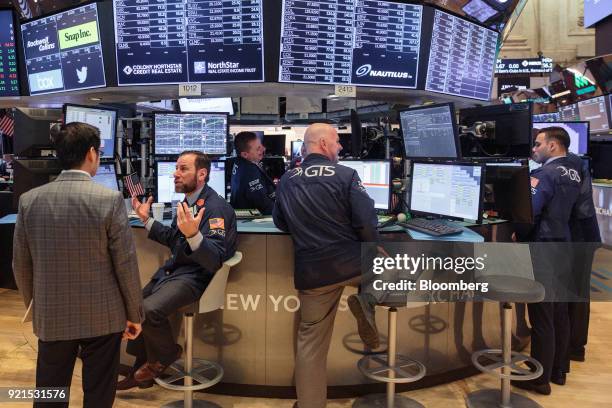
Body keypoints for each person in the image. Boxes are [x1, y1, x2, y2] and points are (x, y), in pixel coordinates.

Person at [13, 122, 144, 408]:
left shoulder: (29, 201)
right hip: (103, 316)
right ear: (91, 153)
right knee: (98, 392)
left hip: (52, 315)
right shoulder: (109, 200)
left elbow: (21, 264)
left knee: (50, 392)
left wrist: (36, 306)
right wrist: (134, 313)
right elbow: (125, 264)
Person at [273, 123, 380, 408]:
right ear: (322, 143)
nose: (340, 147)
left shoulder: (286, 179)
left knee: (310, 346)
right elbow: (366, 222)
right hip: (352, 265)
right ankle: (367, 297)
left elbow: (280, 222)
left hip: (313, 274)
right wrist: (373, 246)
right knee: (390, 264)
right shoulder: (347, 175)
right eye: (336, 141)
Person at [118, 150, 237, 390]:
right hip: (175, 272)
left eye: (183, 169)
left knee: (149, 310)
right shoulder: (187, 202)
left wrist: (194, 235)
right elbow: (175, 239)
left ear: (202, 174)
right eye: (176, 168)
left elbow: (214, 260)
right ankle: (142, 369)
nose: (175, 173)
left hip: (197, 277)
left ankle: (166, 355)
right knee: (135, 306)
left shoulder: (216, 209)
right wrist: (146, 220)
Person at [512, 127, 581, 395]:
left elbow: (529, 213)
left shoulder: (544, 174)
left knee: (541, 316)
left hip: (543, 248)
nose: (534, 149)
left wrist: (519, 233)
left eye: (538, 144)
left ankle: (538, 379)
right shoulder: (574, 171)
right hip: (565, 245)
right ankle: (558, 371)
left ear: (553, 146)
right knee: (559, 313)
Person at [566, 153, 601, 362]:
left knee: (576, 292)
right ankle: (571, 343)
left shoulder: (571, 164)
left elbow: (582, 208)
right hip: (580, 233)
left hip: (580, 235)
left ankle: (575, 346)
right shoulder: (574, 162)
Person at [230, 131, 276, 214]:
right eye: (258, 148)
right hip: (253, 221)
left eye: (261, 145)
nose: (263, 149)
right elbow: (265, 205)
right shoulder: (250, 172)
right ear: (245, 154)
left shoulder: (239, 162)